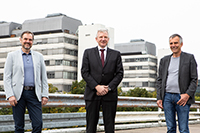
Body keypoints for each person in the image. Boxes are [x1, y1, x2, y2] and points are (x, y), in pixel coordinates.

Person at [4, 31, 49, 133]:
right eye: (25, 39)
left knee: (38, 124)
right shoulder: (12, 56)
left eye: (30, 40)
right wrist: (10, 94)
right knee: (19, 126)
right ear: (20, 40)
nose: (27, 42)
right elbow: (7, 77)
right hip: (17, 94)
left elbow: (44, 78)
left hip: (34, 94)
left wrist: (45, 94)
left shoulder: (39, 57)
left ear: (32, 42)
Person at [81, 28, 124, 133]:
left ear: (108, 39)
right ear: (96, 39)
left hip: (109, 94)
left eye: (105, 37)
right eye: (101, 37)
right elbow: (85, 72)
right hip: (92, 93)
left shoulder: (116, 54)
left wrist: (108, 88)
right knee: (91, 126)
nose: (103, 39)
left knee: (109, 126)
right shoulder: (88, 53)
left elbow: (119, 73)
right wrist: (97, 86)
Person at [156, 34, 198, 133]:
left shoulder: (189, 58)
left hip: (182, 98)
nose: (173, 45)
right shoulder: (164, 60)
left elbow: (194, 79)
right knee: (170, 129)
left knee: (183, 129)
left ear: (181, 44)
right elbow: (159, 80)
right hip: (167, 97)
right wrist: (159, 97)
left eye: (175, 43)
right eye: (171, 43)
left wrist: (187, 95)